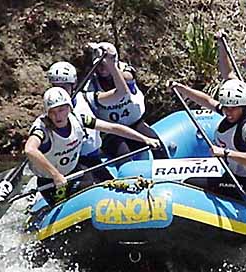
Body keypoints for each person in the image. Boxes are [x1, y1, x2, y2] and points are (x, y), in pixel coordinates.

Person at [25, 87, 160, 205]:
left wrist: (144, 139)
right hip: (51, 182)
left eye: (61, 110)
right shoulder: (42, 129)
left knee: (95, 188)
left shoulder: (78, 119)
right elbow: (30, 149)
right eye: (52, 112)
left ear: (69, 108)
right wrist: (55, 175)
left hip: (74, 172)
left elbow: (112, 128)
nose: (57, 116)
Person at [169, 79, 246, 198]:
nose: (228, 112)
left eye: (232, 108)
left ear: (243, 105)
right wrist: (182, 89)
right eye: (226, 107)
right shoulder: (233, 111)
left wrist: (225, 153)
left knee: (189, 183)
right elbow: (207, 101)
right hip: (235, 175)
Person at [83, 42, 168, 159]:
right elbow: (120, 93)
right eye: (99, 65)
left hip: (135, 124)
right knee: (124, 155)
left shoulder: (125, 70)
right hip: (112, 132)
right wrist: (110, 64)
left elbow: (128, 78)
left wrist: (112, 65)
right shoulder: (90, 86)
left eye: (104, 64)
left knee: (159, 147)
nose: (102, 69)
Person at [47, 61, 113, 182]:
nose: (60, 92)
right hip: (73, 163)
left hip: (94, 157)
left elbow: (118, 94)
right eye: (56, 87)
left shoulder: (87, 98)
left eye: (64, 87)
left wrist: (111, 64)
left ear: (74, 85)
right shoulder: (52, 112)